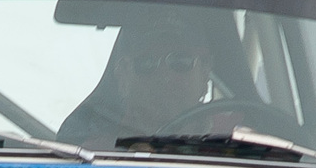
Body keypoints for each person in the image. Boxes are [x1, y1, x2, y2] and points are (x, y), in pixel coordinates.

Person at [58, 19, 214, 147]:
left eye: (180, 61)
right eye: (146, 63)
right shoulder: (94, 157)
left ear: (204, 72)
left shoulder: (227, 136)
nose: (165, 76)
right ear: (123, 75)